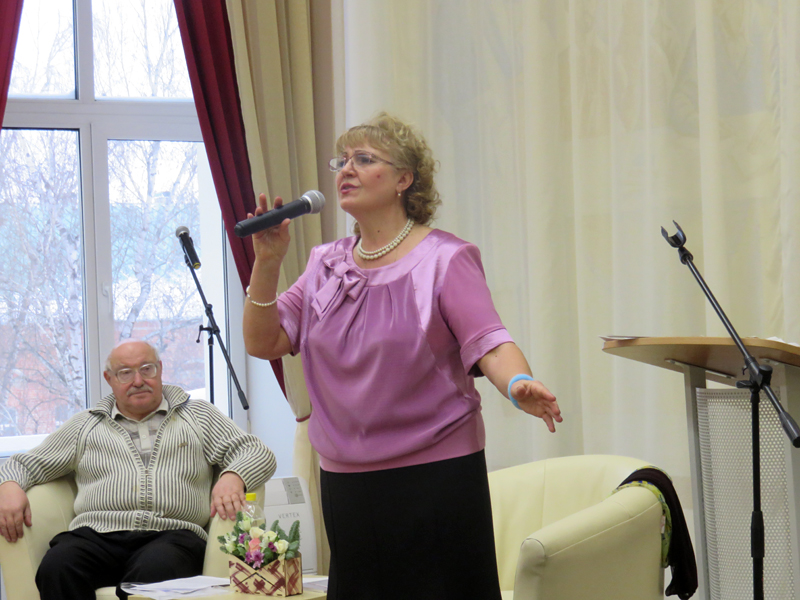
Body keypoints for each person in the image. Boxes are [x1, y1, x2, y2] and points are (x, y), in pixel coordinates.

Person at [243, 113, 562, 600]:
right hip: (346, 481)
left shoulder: (445, 258)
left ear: (403, 179)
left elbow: (490, 341)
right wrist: (267, 263)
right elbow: (263, 342)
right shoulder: (324, 264)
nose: (347, 169)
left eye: (364, 159)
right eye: (342, 160)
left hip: (435, 476)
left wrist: (518, 384)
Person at [0, 340, 277, 600]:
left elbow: (257, 451)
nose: (138, 381)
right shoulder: (85, 425)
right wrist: (9, 485)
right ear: (109, 379)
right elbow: (24, 463)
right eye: (125, 373)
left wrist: (233, 476)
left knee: (155, 570)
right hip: (96, 536)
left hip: (172, 536)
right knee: (58, 565)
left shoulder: (197, 415)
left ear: (160, 370)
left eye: (147, 369)